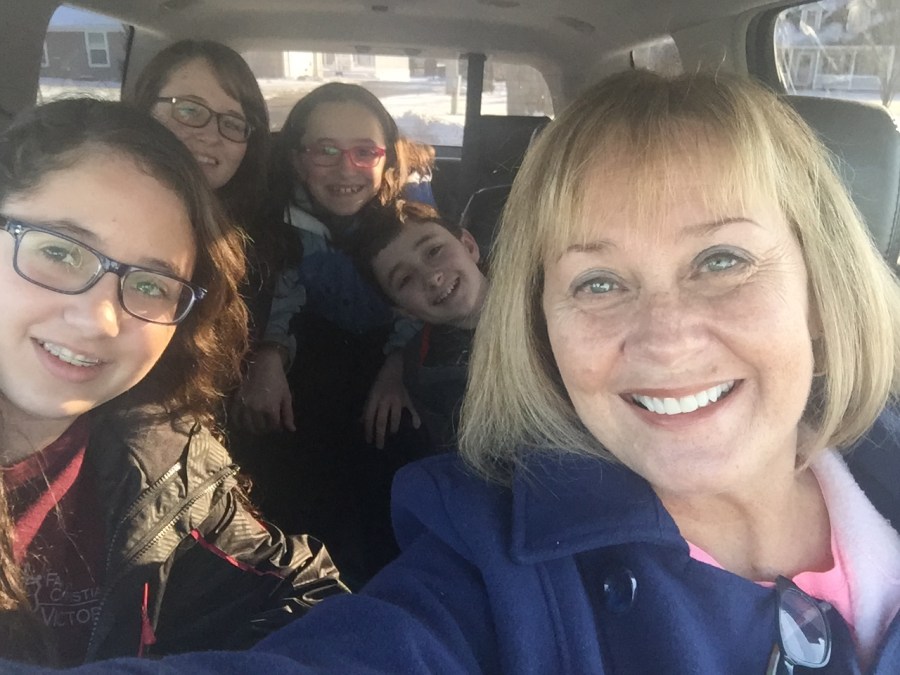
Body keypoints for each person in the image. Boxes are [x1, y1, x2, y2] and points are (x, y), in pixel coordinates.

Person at [26, 69, 900, 674]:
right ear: (542, 323)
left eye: (721, 260)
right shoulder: (488, 561)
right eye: (599, 281)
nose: (667, 340)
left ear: (824, 284)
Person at [0, 98, 345, 666]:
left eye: (150, 285)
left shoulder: (163, 458)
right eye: (59, 252)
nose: (100, 319)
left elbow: (308, 595)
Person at [228, 82, 428, 587]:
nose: (346, 169)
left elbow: (426, 303)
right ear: (298, 160)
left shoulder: (409, 222)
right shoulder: (266, 227)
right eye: (326, 151)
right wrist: (267, 355)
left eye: (364, 152)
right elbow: (278, 293)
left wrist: (397, 366)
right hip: (302, 406)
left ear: (386, 159)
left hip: (383, 392)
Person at [128, 39, 296, 341]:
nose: (210, 135)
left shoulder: (254, 251)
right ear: (144, 109)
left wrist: (276, 349)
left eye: (232, 123)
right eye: (189, 110)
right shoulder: (94, 215)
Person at [350, 200, 488, 451]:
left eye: (434, 251)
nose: (432, 278)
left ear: (469, 246)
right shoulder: (426, 372)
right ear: (405, 311)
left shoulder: (544, 285)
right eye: (405, 279)